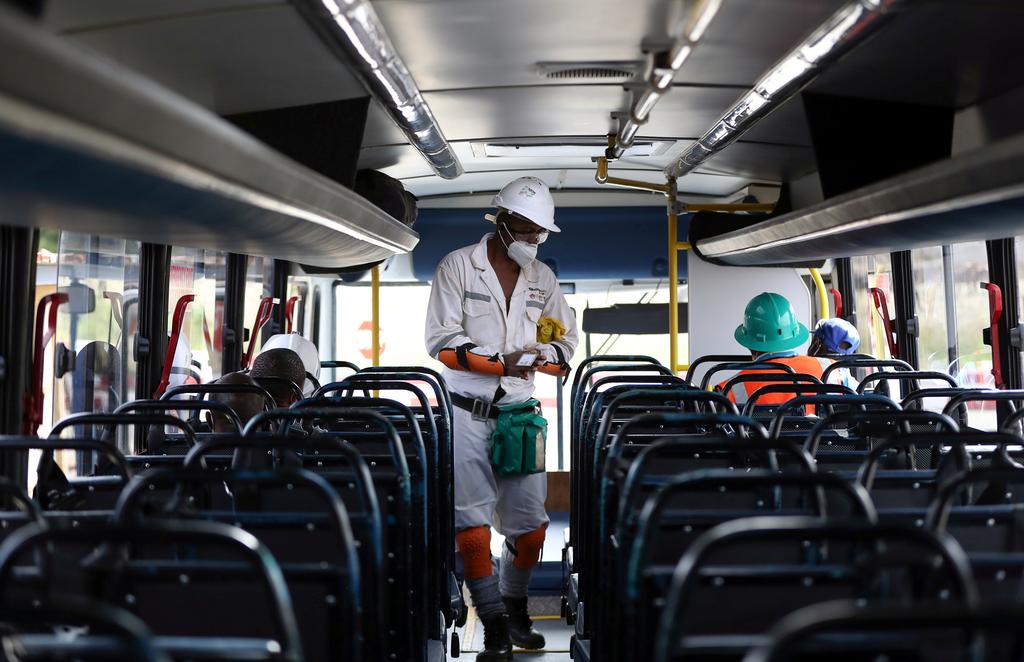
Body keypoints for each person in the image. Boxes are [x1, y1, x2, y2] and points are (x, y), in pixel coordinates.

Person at [424, 176, 578, 660]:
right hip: (466, 414)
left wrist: (545, 355)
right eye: (529, 231)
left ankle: (514, 607)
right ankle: (491, 624)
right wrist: (502, 362)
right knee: (470, 528)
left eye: (541, 235)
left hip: (521, 415)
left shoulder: (542, 280)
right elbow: (441, 342)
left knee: (531, 528)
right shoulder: (458, 267)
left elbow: (566, 342)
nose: (536, 241)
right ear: (504, 223)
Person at [719, 292, 833, 409]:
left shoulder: (731, 388)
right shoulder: (831, 369)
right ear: (794, 336)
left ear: (749, 343)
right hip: (820, 427)